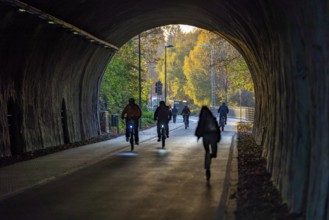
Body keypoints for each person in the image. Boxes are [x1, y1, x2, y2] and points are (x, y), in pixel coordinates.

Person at [195, 106, 221, 181]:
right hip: (212, 136)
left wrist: (198, 135)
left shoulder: (202, 119)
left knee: (207, 152)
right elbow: (217, 128)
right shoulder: (212, 118)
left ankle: (207, 167)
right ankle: (208, 163)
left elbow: (199, 128)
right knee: (214, 154)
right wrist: (218, 137)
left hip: (205, 137)